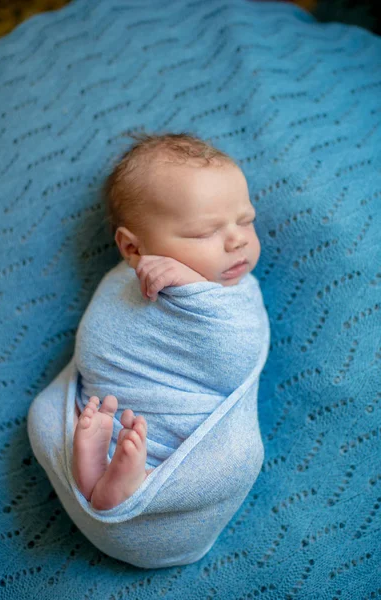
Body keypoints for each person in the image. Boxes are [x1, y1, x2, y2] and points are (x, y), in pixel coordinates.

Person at [72, 131, 261, 510]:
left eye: (246, 221)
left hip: (181, 440)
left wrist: (192, 284)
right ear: (132, 248)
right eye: (205, 232)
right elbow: (103, 340)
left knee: (238, 457)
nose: (236, 241)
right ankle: (106, 475)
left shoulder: (237, 293)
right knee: (49, 414)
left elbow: (235, 361)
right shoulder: (122, 280)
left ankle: (119, 482)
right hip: (115, 406)